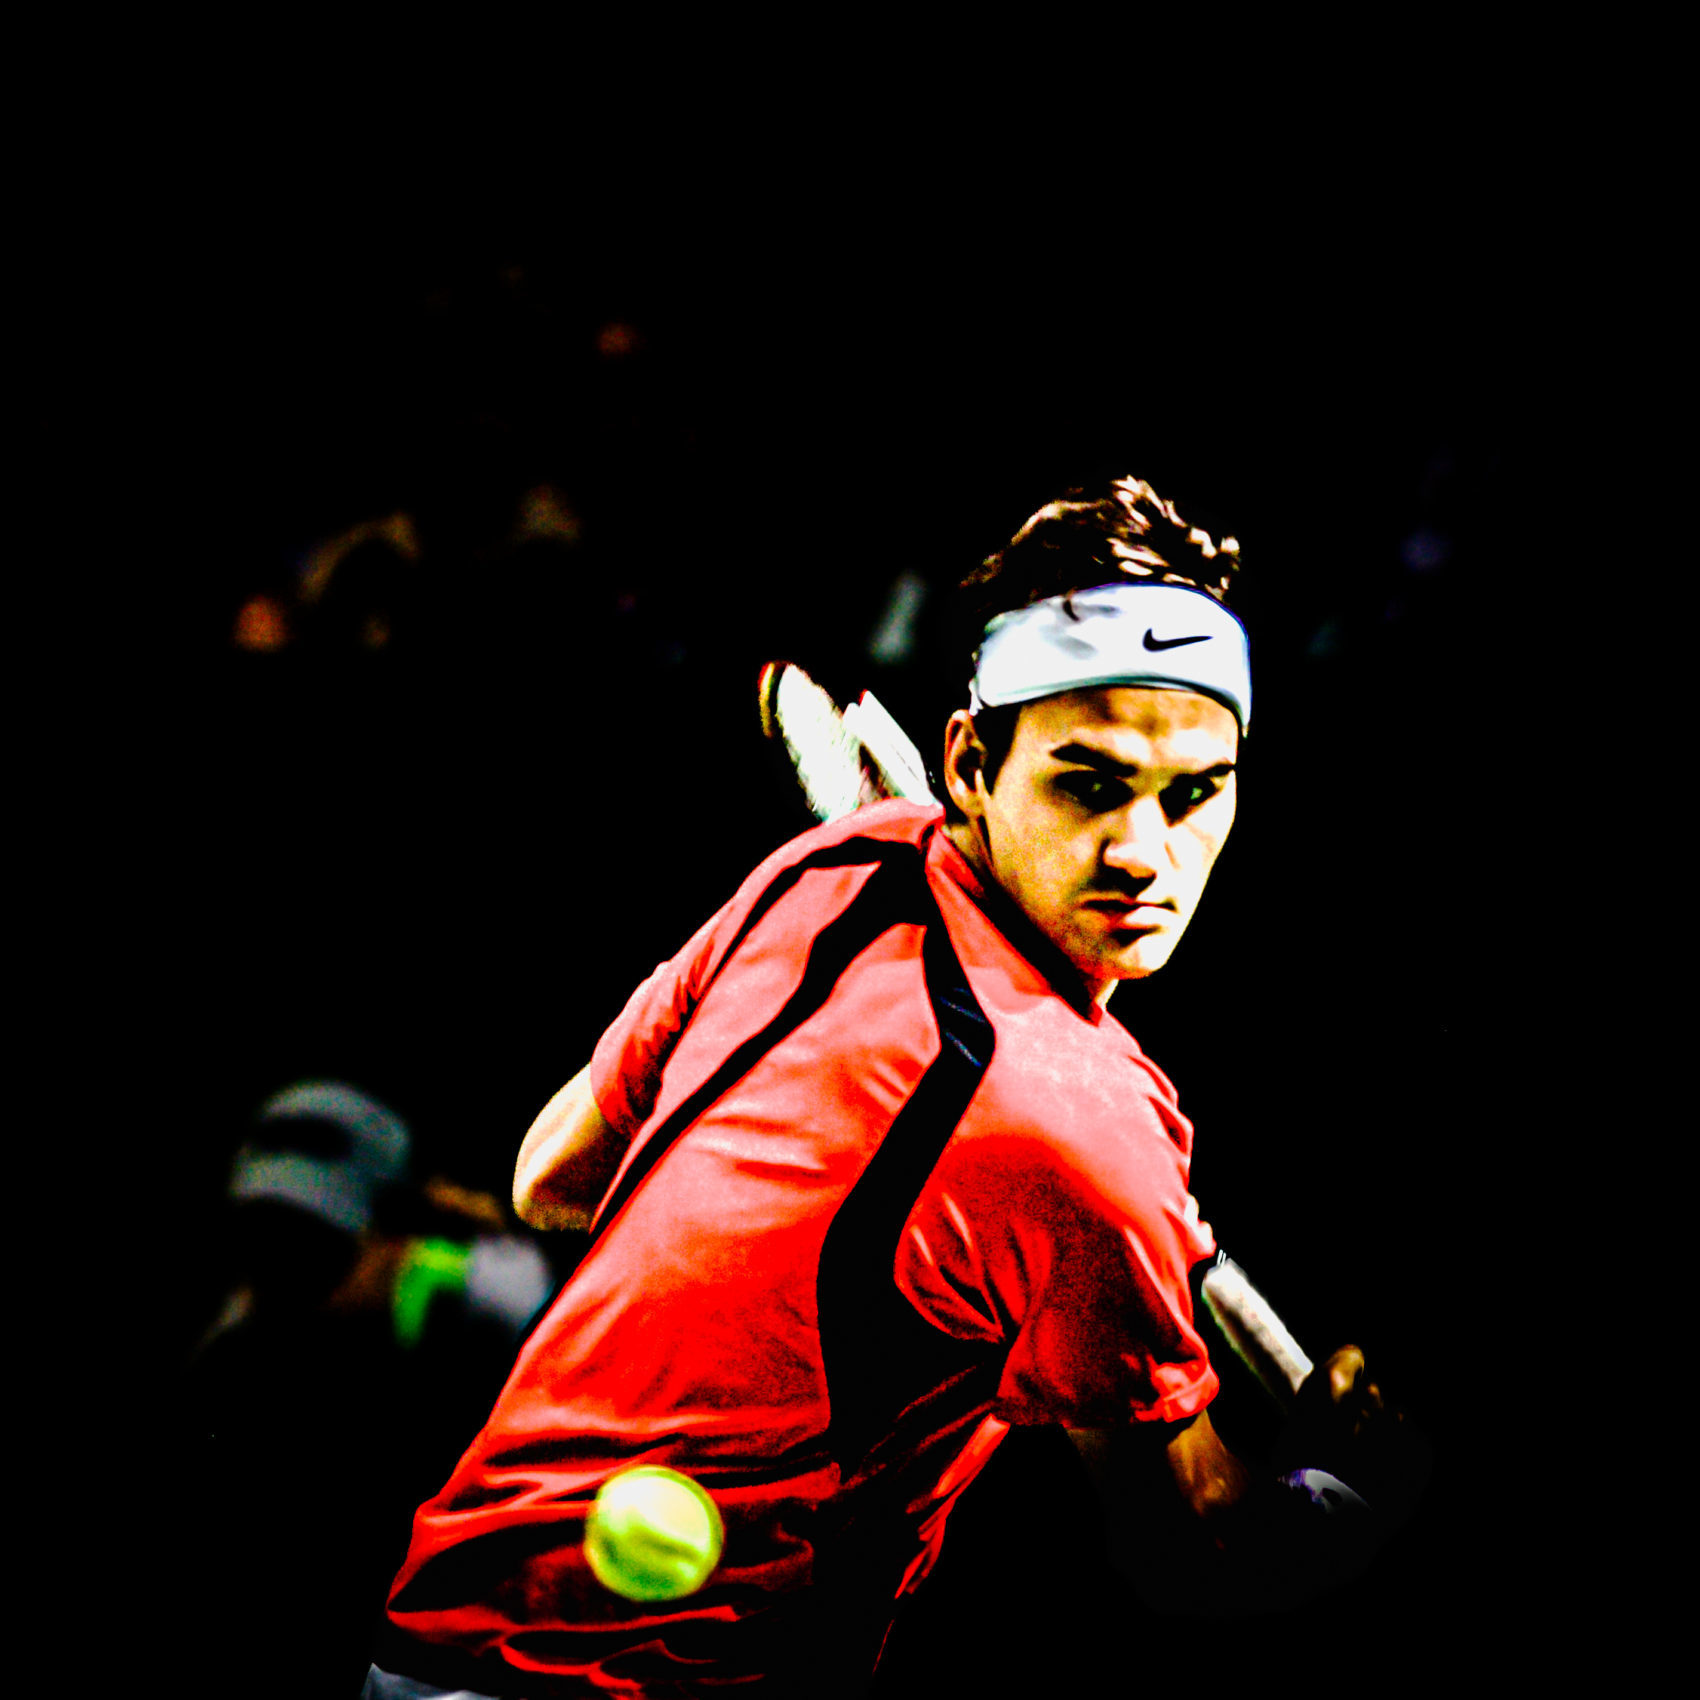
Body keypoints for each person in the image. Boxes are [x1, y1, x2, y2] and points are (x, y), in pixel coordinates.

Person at [363, 477, 1408, 1699]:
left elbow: (553, 1175)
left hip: (429, 1642)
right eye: (1086, 781)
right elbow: (1192, 1544)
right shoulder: (1091, 1132)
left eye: (1191, 792)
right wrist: (1341, 1495)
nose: (1141, 850)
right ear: (967, 758)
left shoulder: (830, 864)